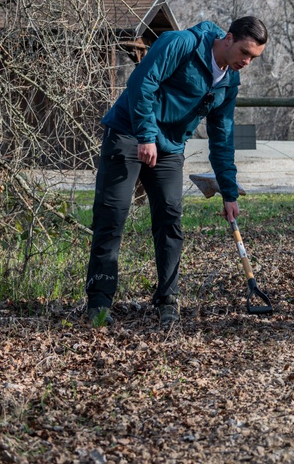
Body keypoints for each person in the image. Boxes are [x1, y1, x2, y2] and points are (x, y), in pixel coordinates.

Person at [85, 16, 268, 328]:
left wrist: (229, 191)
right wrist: (145, 135)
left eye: (254, 58)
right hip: (129, 132)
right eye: (245, 53)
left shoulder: (229, 81)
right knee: (111, 217)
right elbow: (142, 83)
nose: (247, 62)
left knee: (170, 219)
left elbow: (222, 136)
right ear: (228, 38)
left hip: (169, 146)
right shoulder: (180, 43)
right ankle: (99, 304)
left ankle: (168, 300)